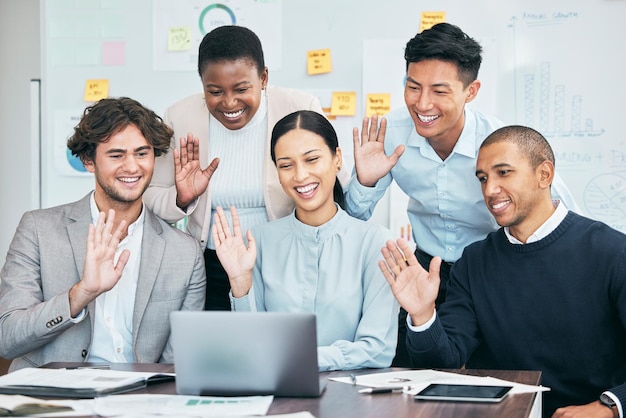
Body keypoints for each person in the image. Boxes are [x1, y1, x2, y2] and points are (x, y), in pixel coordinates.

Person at [345, 22, 581, 366]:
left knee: (496, 368)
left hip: (493, 268)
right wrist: (365, 183)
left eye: (439, 90)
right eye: (413, 87)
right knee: (411, 367)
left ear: (471, 91)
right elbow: (351, 219)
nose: (422, 103)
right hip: (426, 268)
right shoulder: (388, 134)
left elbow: (561, 213)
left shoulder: (500, 143)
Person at [379, 125, 626, 417]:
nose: (490, 190)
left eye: (503, 173)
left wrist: (610, 406)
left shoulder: (611, 251)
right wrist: (422, 315)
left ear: (544, 175)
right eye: (483, 178)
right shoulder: (473, 262)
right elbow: (444, 362)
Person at [143, 25, 349, 311]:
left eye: (242, 89)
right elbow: (152, 195)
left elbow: (334, 187)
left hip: (288, 258)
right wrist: (182, 198)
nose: (229, 103)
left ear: (263, 78)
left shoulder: (298, 107)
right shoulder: (180, 116)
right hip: (212, 264)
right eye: (214, 91)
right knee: (223, 350)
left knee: (283, 348)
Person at [0, 97, 206, 372]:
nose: (132, 167)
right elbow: (7, 338)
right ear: (89, 161)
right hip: (51, 396)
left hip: (140, 401)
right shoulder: (38, 230)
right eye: (117, 155)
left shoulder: (185, 252)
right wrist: (81, 294)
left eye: (142, 153)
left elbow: (177, 361)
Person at [212, 110, 398, 371]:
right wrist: (240, 283)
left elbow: (378, 349)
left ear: (337, 159)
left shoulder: (376, 243)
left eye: (312, 159)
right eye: (286, 165)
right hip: (277, 393)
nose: (300, 176)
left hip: (351, 395)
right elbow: (252, 345)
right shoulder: (260, 242)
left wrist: (304, 359)